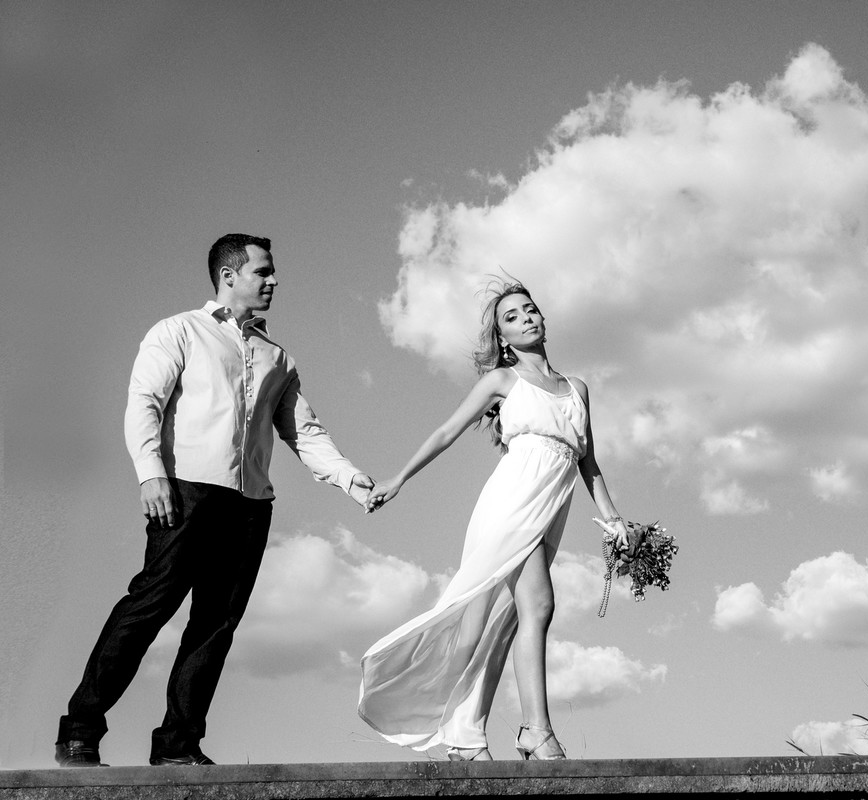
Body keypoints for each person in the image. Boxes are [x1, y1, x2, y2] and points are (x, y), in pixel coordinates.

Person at [54, 234, 375, 768]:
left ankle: (178, 744)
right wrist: (149, 473)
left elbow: (305, 432)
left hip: (250, 504)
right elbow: (145, 403)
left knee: (215, 626)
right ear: (229, 276)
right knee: (149, 607)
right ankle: (80, 729)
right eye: (262, 272)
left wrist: (351, 479)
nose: (273, 281)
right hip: (185, 492)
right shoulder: (179, 331)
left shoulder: (279, 357)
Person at [358, 281, 630, 761]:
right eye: (511, 316)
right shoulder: (502, 382)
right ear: (503, 338)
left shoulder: (577, 389)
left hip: (552, 506)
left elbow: (588, 460)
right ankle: (536, 730)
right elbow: (447, 430)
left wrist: (614, 520)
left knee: (496, 621)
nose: (526, 318)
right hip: (511, 500)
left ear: (543, 319)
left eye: (531, 310)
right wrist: (398, 478)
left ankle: (464, 735)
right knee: (538, 605)